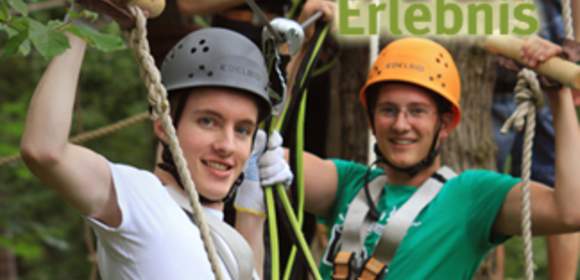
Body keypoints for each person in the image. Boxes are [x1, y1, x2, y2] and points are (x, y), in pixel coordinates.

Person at [271, 36, 578, 279]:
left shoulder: (469, 198)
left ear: (444, 124)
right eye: (388, 110)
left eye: (417, 111)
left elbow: (571, 211)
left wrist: (558, 97)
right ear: (372, 120)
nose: (401, 125)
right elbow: (260, 150)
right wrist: (300, 42)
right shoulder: (347, 184)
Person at [19, 14, 294, 279]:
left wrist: (251, 207)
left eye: (243, 130)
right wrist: (81, 22)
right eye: (208, 121)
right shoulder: (141, 200)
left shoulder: (226, 242)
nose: (227, 145)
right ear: (164, 126)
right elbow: (45, 151)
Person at [492, 1, 580, 278]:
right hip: (487, 65)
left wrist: (576, 47)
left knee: (562, 187)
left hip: (547, 54)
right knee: (484, 189)